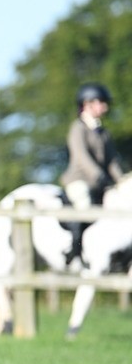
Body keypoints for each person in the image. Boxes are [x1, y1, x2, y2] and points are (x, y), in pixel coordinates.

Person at [60, 82, 125, 266]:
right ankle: (76, 251)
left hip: (100, 182)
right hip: (79, 180)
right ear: (87, 104)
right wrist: (98, 175)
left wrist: (121, 180)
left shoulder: (103, 132)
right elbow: (81, 156)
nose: (104, 106)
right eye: (101, 102)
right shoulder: (78, 128)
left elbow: (112, 160)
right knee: (84, 205)